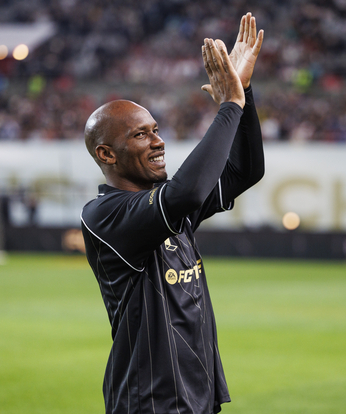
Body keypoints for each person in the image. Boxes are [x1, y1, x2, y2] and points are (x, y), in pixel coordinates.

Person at [80, 13, 264, 414]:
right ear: (106, 154)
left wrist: (244, 94)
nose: (158, 141)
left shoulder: (168, 205)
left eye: (156, 129)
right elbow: (188, 192)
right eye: (141, 134)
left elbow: (245, 171)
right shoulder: (105, 216)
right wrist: (229, 105)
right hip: (150, 401)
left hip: (196, 396)